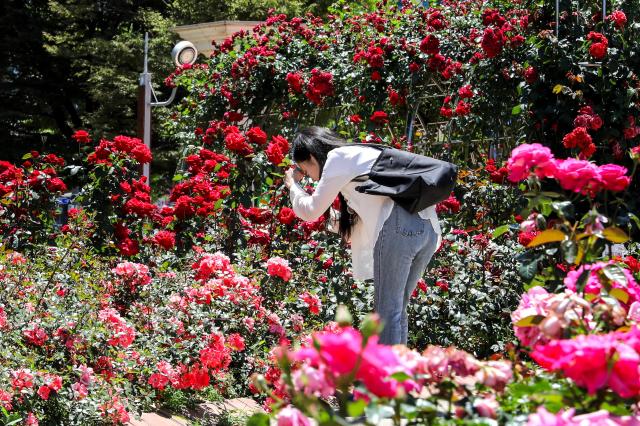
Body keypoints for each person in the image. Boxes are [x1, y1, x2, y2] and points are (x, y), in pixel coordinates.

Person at [284, 126, 441, 345]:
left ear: (311, 157)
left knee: (387, 314)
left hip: (399, 228)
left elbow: (309, 210)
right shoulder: (359, 154)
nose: (310, 177)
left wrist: (293, 185)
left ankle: (388, 377)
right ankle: (401, 374)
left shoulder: (337, 159)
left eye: (306, 170)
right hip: (427, 229)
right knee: (397, 310)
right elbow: (358, 223)